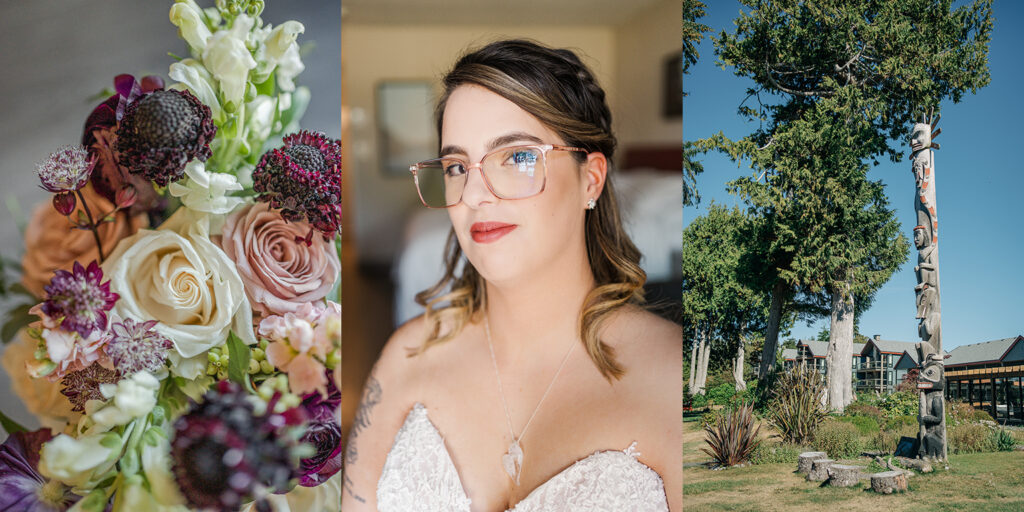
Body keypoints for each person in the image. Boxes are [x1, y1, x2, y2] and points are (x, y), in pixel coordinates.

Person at [342, 39, 681, 512]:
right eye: (458, 166)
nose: (475, 193)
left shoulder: (671, 376)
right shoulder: (406, 356)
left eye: (518, 156)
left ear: (591, 179)